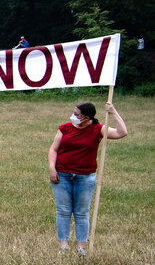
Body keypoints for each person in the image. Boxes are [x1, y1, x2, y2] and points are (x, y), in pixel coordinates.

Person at [48, 102, 128, 256]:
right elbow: (54, 149)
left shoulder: (98, 129)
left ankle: (81, 247)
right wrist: (52, 168)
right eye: (73, 112)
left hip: (85, 177)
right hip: (62, 176)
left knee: (82, 212)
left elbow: (122, 132)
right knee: (63, 211)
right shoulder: (65, 128)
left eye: (76, 114)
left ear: (86, 118)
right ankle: (64, 246)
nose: (73, 116)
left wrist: (113, 112)